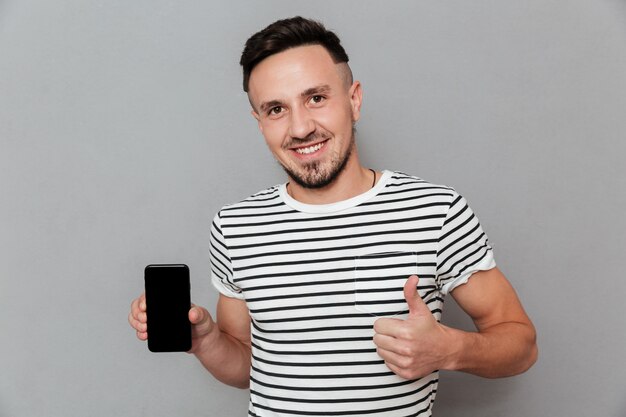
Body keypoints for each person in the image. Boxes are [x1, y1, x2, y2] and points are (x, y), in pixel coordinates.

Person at [128, 16, 538, 416]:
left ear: (354, 99)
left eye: (316, 98)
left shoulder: (436, 211)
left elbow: (521, 345)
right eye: (276, 109)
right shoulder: (235, 225)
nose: (301, 127)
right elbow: (246, 367)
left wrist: (451, 349)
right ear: (259, 122)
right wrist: (205, 341)